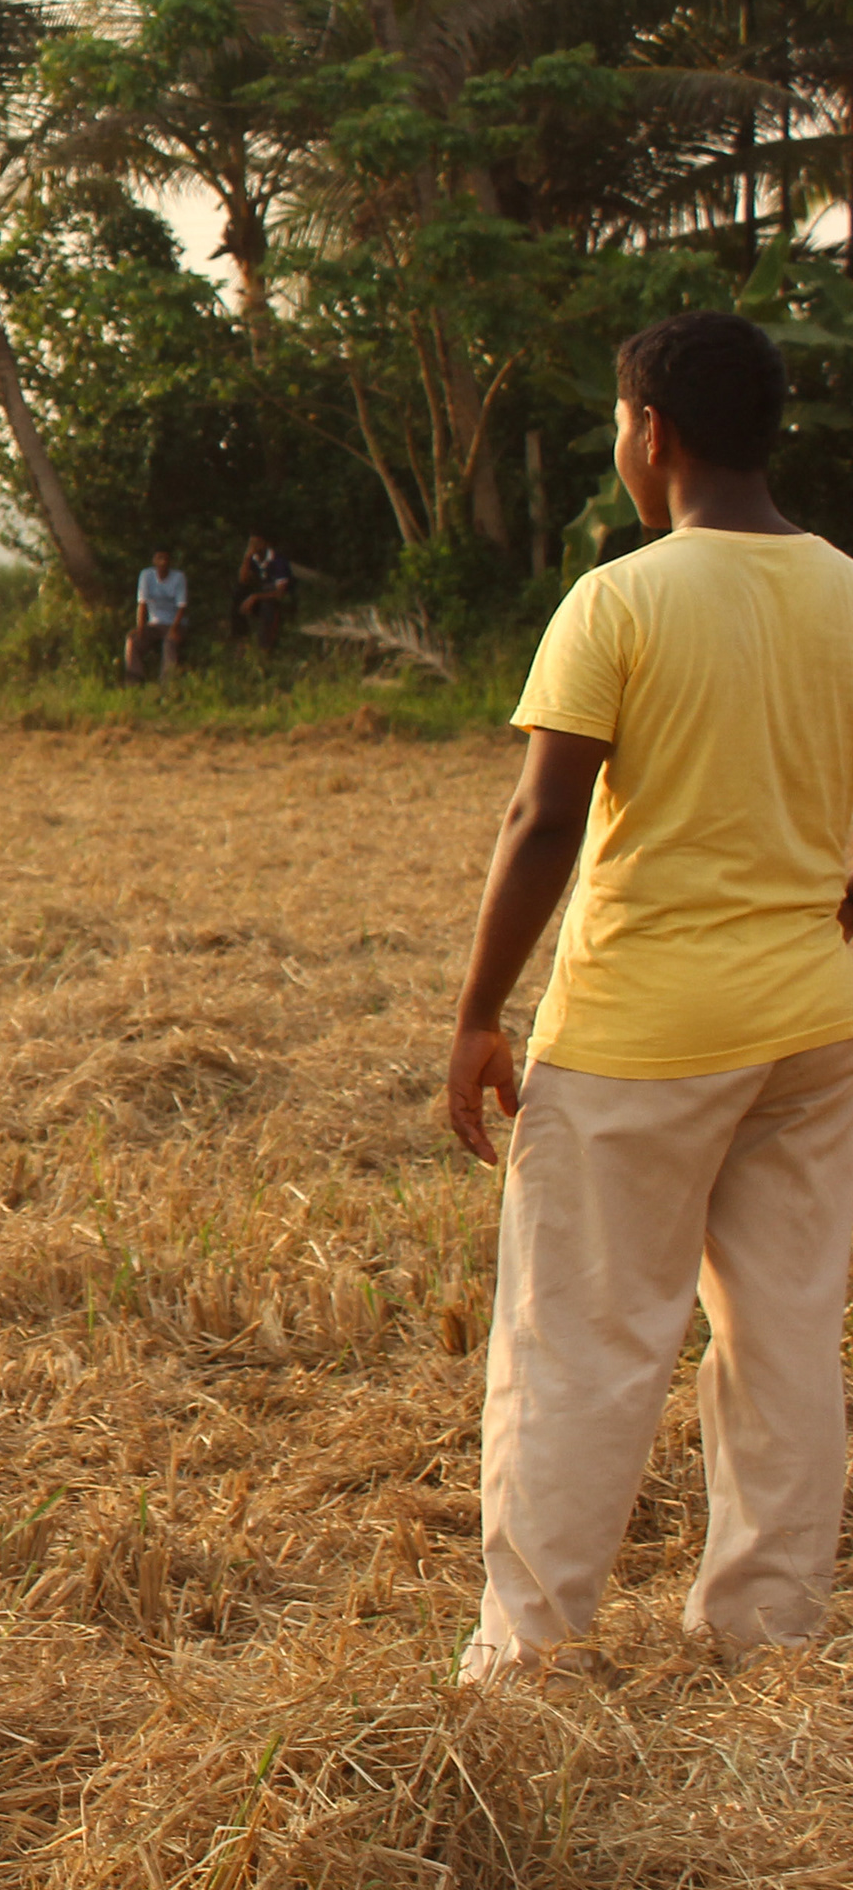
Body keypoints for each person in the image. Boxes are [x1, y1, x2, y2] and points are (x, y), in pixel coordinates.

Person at [442, 312, 853, 1684]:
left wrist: (476, 1012)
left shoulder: (620, 599)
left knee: (581, 1346)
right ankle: (768, 1635)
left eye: (621, 423)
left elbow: (542, 818)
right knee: (787, 1334)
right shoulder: (848, 593)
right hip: (818, 1029)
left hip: (635, 1043)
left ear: (651, 432)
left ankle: (529, 1662)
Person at [128, 544, 190, 684]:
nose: (163, 562)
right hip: (154, 624)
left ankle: (167, 684)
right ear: (154, 560)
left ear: (170, 561)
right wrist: (140, 628)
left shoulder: (178, 577)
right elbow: (142, 604)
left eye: (166, 559)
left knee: (169, 643)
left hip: (175, 624)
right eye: (159, 558)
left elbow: (182, 607)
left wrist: (174, 630)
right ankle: (134, 680)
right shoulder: (146, 575)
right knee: (132, 641)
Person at [232, 532, 295, 652]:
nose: (255, 547)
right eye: (252, 544)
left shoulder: (278, 561)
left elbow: (280, 593)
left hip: (280, 600)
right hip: (261, 597)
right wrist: (246, 557)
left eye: (257, 543)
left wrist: (255, 597)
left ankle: (265, 647)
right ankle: (241, 639)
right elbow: (242, 580)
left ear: (266, 544)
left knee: (269, 600)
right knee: (239, 593)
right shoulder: (253, 559)